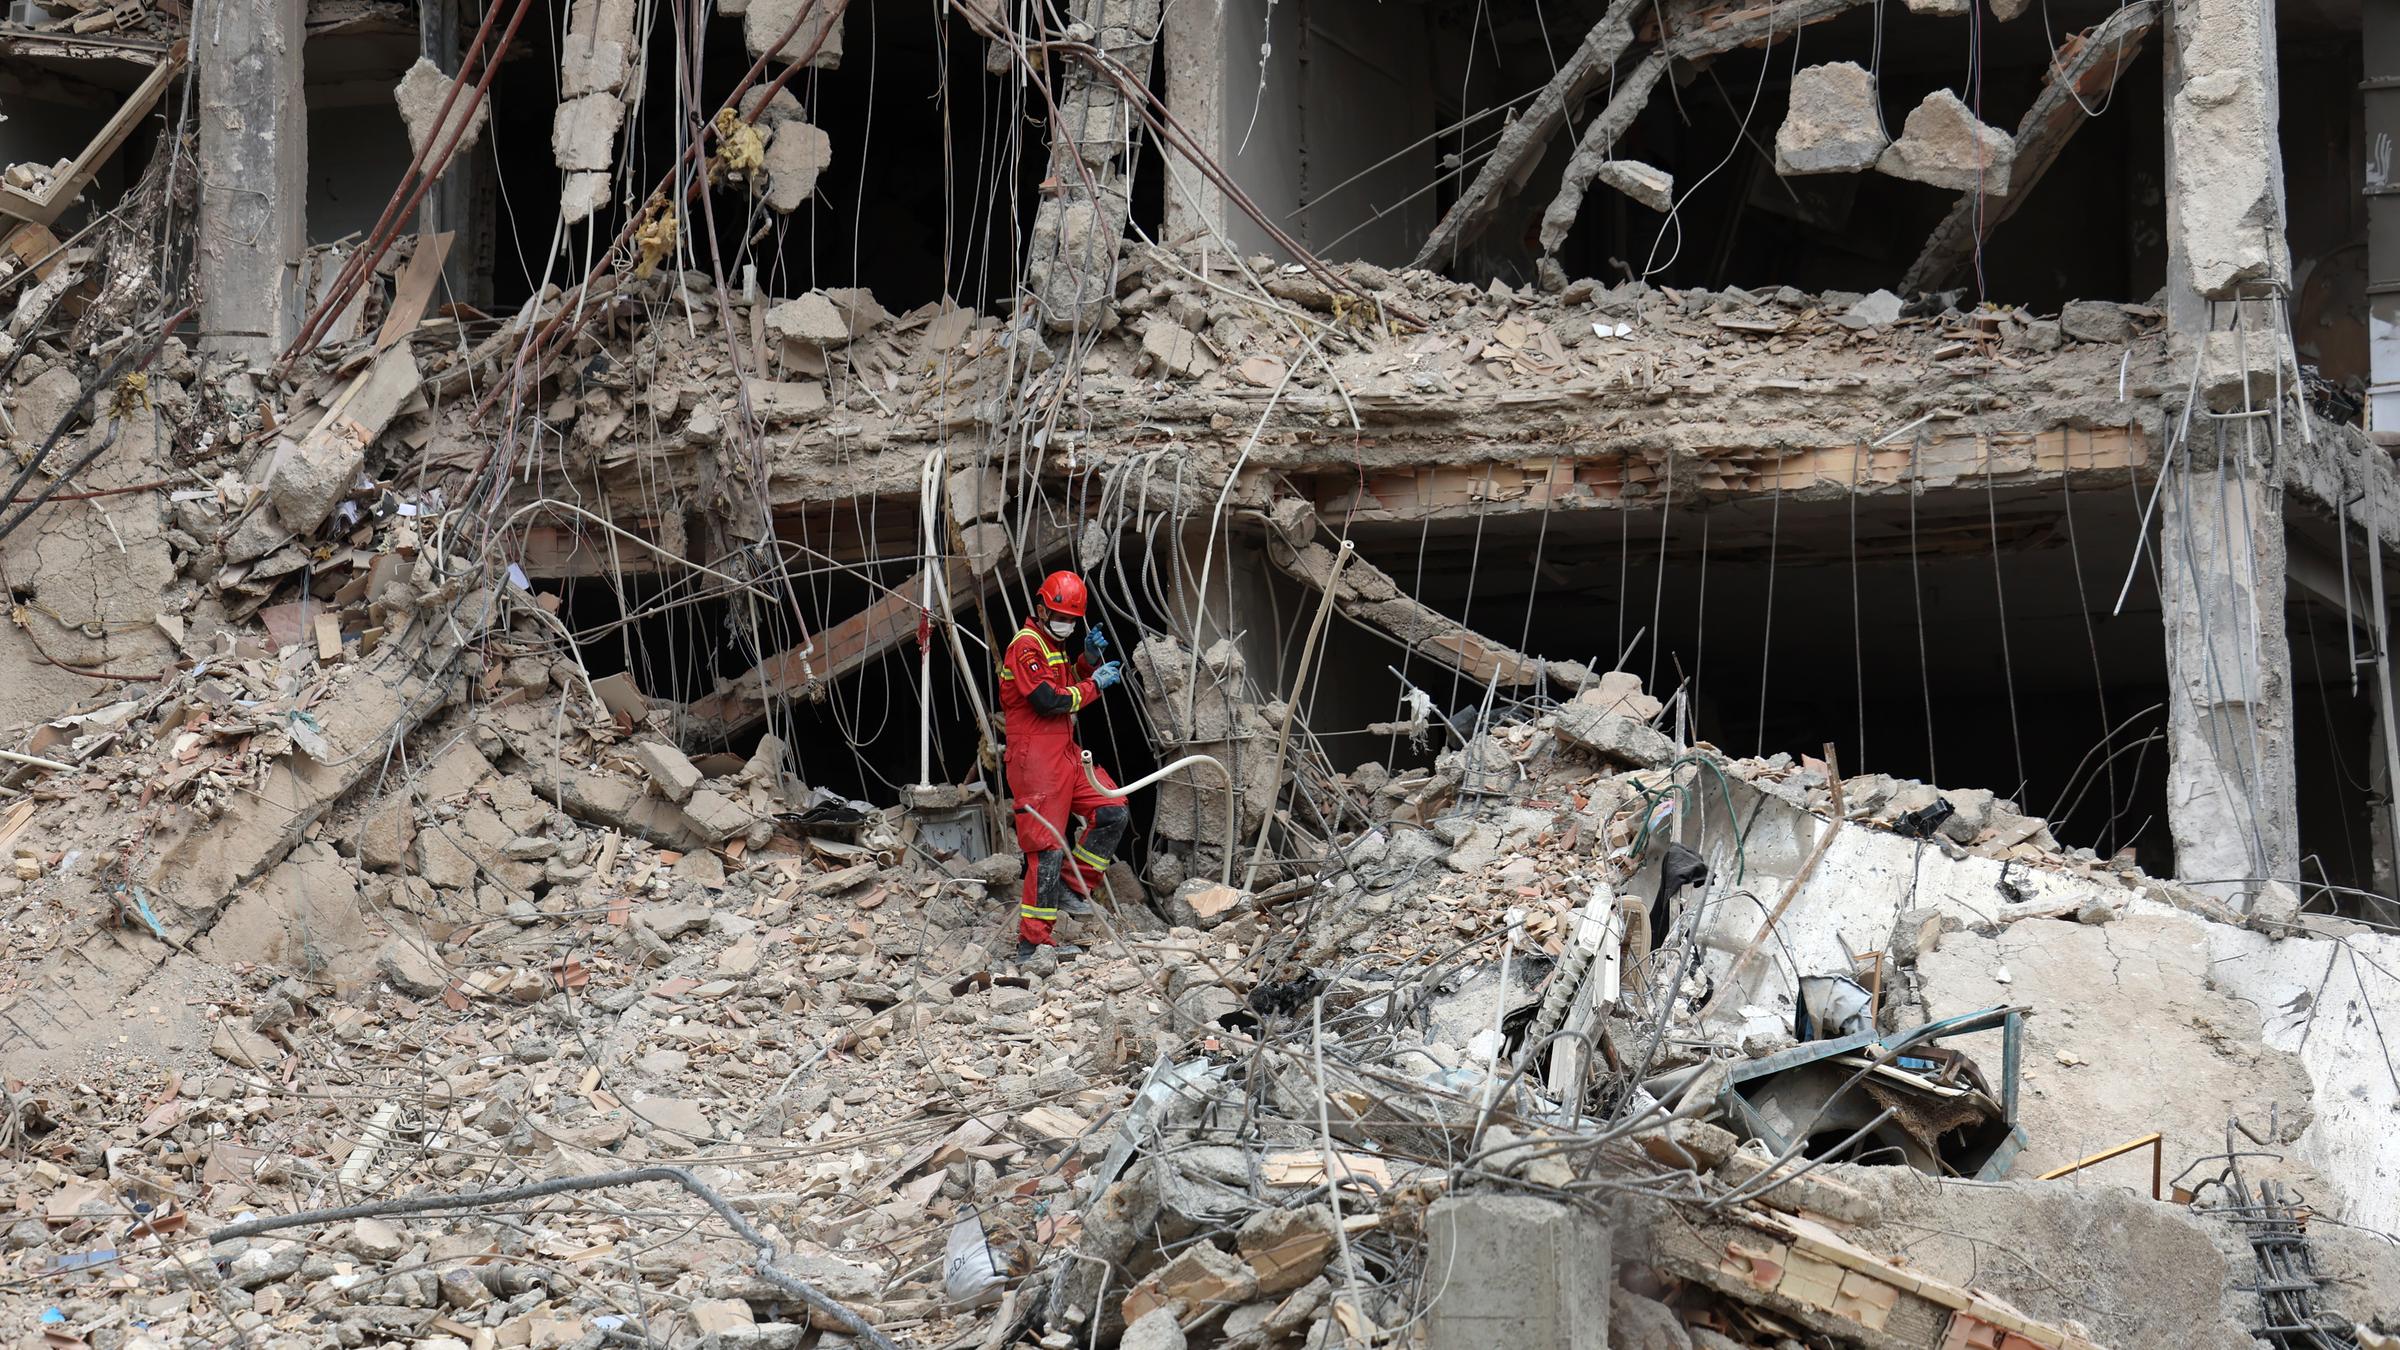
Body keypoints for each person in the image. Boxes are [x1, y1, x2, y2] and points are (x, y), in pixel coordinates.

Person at [998, 570, 1129, 961]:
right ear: (1040, 609)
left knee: (1111, 810)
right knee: (1047, 847)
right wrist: (1095, 686)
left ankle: (1073, 889)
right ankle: (1032, 943)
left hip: (1065, 753)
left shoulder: (1050, 645)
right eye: (1060, 616)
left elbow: (1063, 679)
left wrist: (1086, 664)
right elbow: (1049, 700)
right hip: (1035, 759)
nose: (1066, 624)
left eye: (1072, 619)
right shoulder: (1025, 646)